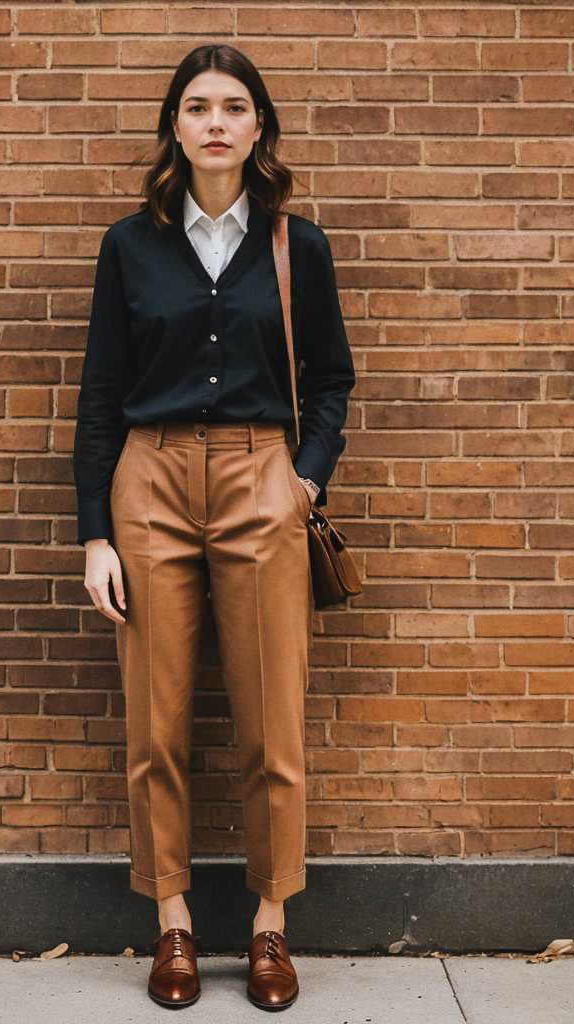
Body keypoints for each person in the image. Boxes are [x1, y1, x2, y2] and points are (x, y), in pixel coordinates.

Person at [72, 42, 355, 1010]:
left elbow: (331, 384)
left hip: (257, 478)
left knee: (270, 718)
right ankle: (176, 923)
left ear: (259, 127)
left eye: (235, 105)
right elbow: (100, 396)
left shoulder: (296, 245)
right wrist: (94, 535)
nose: (217, 121)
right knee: (155, 725)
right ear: (175, 127)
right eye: (198, 105)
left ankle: (270, 924)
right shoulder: (129, 245)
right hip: (146, 485)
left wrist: (302, 484)